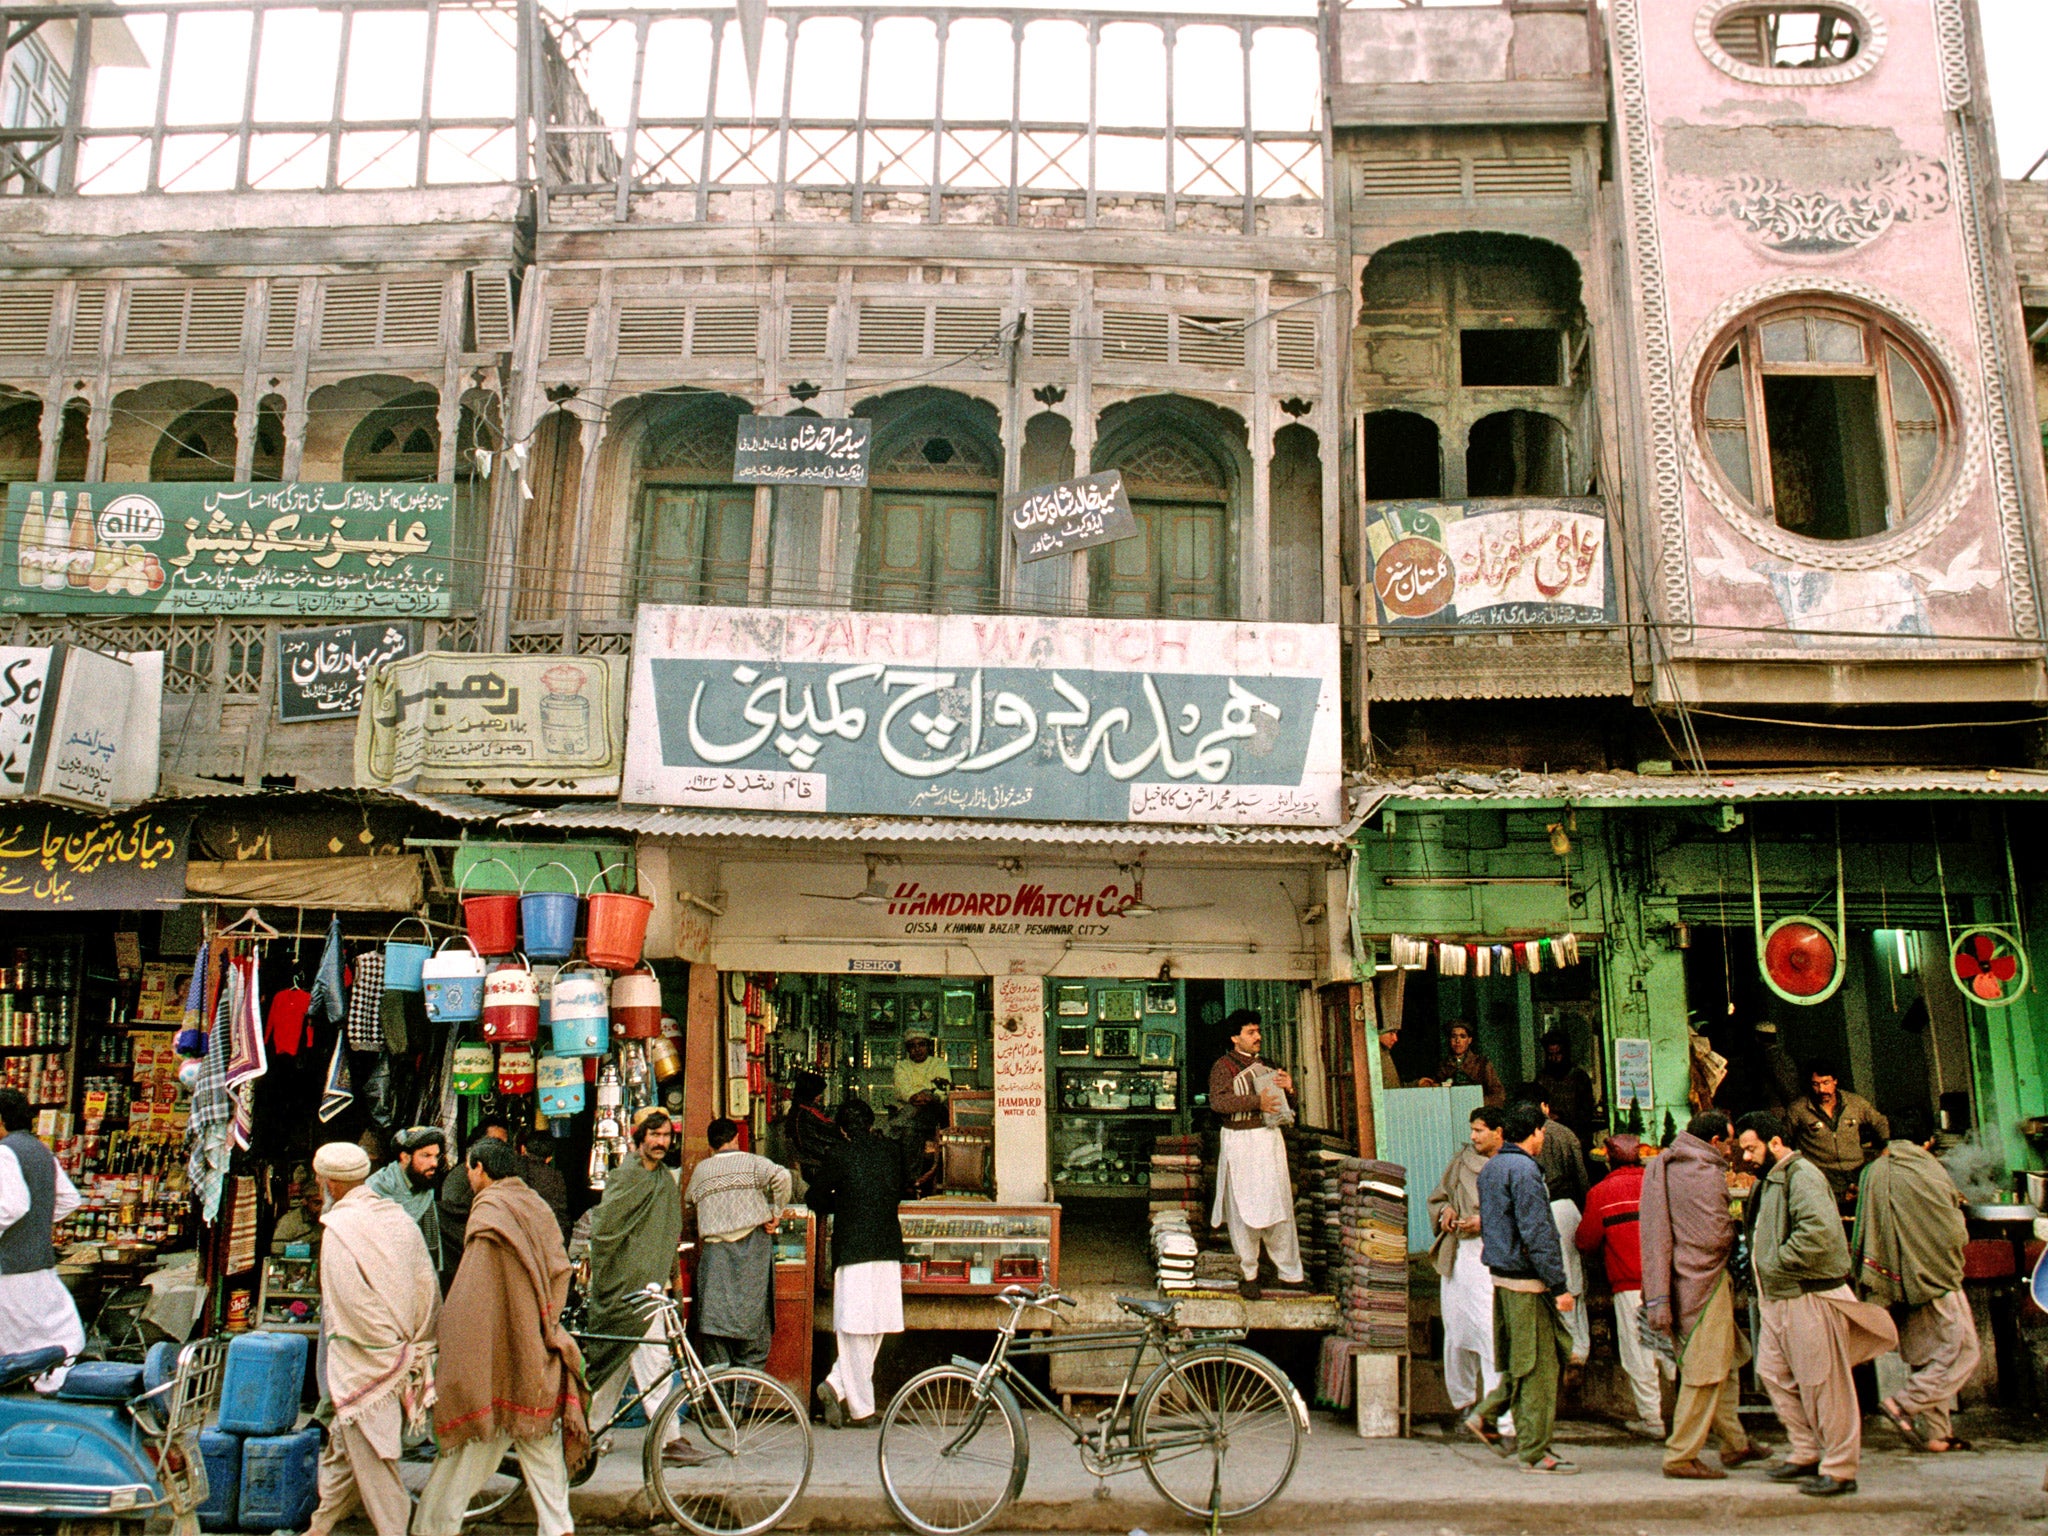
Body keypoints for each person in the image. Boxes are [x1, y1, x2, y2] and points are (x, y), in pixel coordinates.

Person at [412, 1138, 586, 1536]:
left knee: (466, 1462)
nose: (468, 1178)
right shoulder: (535, 1204)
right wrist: (543, 1322)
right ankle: (558, 1530)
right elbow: (559, 1269)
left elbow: (476, 1292)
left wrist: (454, 1339)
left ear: (479, 1169)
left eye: (469, 1171)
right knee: (543, 1463)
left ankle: (433, 1529)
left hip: (503, 1362)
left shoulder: (490, 1210)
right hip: (539, 1355)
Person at [1736, 1110, 1897, 1499]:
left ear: (1775, 1142)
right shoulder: (1768, 1183)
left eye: (1751, 1148)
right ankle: (1806, 1451)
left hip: (1808, 1296)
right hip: (1778, 1299)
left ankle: (1840, 1468)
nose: (1745, 1157)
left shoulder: (1801, 1175)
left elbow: (1819, 1234)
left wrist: (1776, 1262)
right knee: (1774, 1375)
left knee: (1825, 1384)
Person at [303, 1141, 440, 1536]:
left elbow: (348, 1306)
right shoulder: (396, 1217)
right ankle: (321, 1525)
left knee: (374, 1456)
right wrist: (412, 1342)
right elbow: (426, 1286)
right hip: (402, 1350)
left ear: (329, 1183)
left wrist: (384, 1351)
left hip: (367, 1359)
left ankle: (393, 1529)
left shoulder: (339, 1229)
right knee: (345, 1447)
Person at [1640, 1110, 1762, 1480]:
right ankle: (1680, 1455)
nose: (1731, 1151)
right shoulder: (1702, 1171)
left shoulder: (1673, 1164)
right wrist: (1738, 1238)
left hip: (1686, 1282)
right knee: (1705, 1370)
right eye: (1727, 1142)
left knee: (1724, 1364)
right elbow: (1712, 1236)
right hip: (1703, 1285)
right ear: (1713, 1143)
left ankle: (1735, 1442)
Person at [1854, 1107, 1980, 1454]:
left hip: (1896, 1278)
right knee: (1963, 1352)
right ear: (1927, 1141)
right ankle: (1904, 1403)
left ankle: (1938, 1434)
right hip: (1936, 1276)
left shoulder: (1874, 1170)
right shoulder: (1929, 1168)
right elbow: (1953, 1229)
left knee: (1929, 1353)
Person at [585, 1109, 702, 1465]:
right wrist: (628, 1269)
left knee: (618, 1365)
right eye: (654, 1135)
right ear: (640, 1139)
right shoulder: (625, 1177)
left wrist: (673, 1284)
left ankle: (588, 1432)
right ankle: (668, 1440)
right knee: (653, 1360)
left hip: (652, 1286)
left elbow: (667, 1235)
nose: (661, 1142)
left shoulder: (665, 1181)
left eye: (666, 1135)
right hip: (626, 1286)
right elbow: (604, 1232)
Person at [1467, 1103, 1575, 1474]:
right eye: (1542, 1131)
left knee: (1519, 1362)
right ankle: (1534, 1452)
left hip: (1502, 1278)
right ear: (1533, 1132)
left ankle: (1486, 1414)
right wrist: (1558, 1284)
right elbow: (1538, 1232)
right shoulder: (1525, 1170)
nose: (1544, 1137)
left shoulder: (1493, 1167)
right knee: (1539, 1369)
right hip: (1528, 1281)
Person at [806, 1099, 909, 1428]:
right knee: (877, 1323)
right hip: (887, 1246)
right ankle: (854, 1401)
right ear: (870, 1122)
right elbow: (903, 1188)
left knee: (853, 1327)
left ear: (841, 1129)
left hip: (853, 1250)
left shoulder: (838, 1154)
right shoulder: (891, 1151)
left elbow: (815, 1198)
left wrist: (843, 1199)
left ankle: (838, 1387)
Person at [1575, 1133, 1669, 1439]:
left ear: (1608, 1160)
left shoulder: (1601, 1192)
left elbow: (1585, 1241)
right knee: (1670, 1348)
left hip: (1629, 1285)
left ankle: (1653, 1420)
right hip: (1667, 1283)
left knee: (1639, 1354)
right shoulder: (1660, 1184)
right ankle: (1687, 1415)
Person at [1207, 1009, 1305, 1301]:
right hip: (1240, 1141)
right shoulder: (1223, 1067)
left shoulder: (1269, 1066)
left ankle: (1290, 1272)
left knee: (1279, 1205)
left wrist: (1290, 1089)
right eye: (1251, 1032)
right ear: (1235, 1037)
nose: (1258, 1037)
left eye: (1258, 1031)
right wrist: (1255, 1101)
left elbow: (1284, 1106)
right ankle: (1249, 1274)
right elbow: (1218, 1102)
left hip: (1269, 1140)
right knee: (1243, 1210)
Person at [683, 1117, 792, 1370]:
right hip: (753, 1249)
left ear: (711, 1146)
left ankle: (721, 1400)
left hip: (716, 1254)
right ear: (737, 1138)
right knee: (754, 1325)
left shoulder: (702, 1170)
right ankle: (742, 1399)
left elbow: (689, 1200)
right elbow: (783, 1177)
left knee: (714, 1326)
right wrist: (776, 1213)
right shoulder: (754, 1162)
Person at [1428, 1105, 1505, 1430]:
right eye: (1472, 1130)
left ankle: (1492, 1411)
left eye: (1480, 1130)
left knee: (1490, 1333)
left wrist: (1485, 1222)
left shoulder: (1511, 1166)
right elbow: (1439, 1196)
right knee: (1457, 1332)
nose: (1473, 1136)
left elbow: (1520, 1215)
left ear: (1498, 1132)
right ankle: (1464, 1403)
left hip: (1492, 1257)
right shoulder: (1460, 1160)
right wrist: (1445, 1212)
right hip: (1458, 1254)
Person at [0, 1087, 81, 1389]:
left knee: (24, 1343)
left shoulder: (5, 1152)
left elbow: (13, 1205)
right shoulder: (40, 1150)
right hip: (39, 1264)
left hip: (10, 1267)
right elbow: (69, 1199)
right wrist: (38, 1222)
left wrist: (25, 1222)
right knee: (55, 1333)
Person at [1519, 1086, 1589, 1365]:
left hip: (1538, 1212)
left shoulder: (1516, 1138)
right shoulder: (1565, 1134)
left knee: (1546, 1279)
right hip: (1566, 1208)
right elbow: (1581, 1178)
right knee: (1573, 1279)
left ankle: (1564, 1348)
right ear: (1545, 1107)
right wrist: (1584, 1210)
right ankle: (1578, 1349)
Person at [1786, 1061, 1888, 1201]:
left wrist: (1888, 1146)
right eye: (1816, 1084)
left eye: (1826, 1082)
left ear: (1835, 1081)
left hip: (1857, 1172)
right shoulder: (1798, 1109)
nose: (1822, 1089)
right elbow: (1783, 1139)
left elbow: (1881, 1122)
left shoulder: (1855, 1103)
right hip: (1821, 1176)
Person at [438, 1116, 512, 1277]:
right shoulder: (459, 1178)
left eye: (503, 1144)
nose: (498, 1148)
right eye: (493, 1142)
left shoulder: (503, 1179)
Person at [367, 1125, 443, 1266]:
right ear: (405, 1157)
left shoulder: (424, 1188)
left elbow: (431, 1244)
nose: (434, 1163)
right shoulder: (376, 1189)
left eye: (436, 1156)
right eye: (426, 1156)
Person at [1535, 1030, 1597, 1143]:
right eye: (1550, 1055)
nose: (1554, 1059)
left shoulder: (1579, 1077)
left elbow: (1586, 1113)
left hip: (1576, 1136)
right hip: (1550, 1137)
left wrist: (1561, 1117)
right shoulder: (1541, 1079)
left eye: (1558, 1054)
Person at [1426, 1021, 1506, 1106]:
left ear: (1469, 1040)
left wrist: (1478, 1102)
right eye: (1454, 1036)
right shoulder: (1442, 1066)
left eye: (1462, 1036)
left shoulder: (1481, 1064)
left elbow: (1499, 1094)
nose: (1458, 1041)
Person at [892, 1033, 951, 1146]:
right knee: (910, 1130)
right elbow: (903, 1089)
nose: (917, 1049)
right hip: (909, 1109)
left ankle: (893, 1125)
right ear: (908, 1049)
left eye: (921, 1045)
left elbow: (944, 1089)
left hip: (934, 1110)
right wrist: (916, 1097)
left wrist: (929, 1096)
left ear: (928, 1046)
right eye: (912, 1046)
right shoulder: (901, 1066)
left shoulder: (939, 1064)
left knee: (927, 1097)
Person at [520, 1133, 573, 1245]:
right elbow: (560, 1213)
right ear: (549, 1158)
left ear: (523, 1149)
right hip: (542, 1239)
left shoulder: (510, 1170)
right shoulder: (555, 1177)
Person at [269, 1164, 325, 1255]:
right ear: (305, 1201)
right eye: (317, 1203)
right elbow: (276, 1250)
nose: (322, 1208)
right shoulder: (288, 1222)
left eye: (324, 1203)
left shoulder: (326, 1219)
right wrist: (308, 1250)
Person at [1376, 1023, 1402, 1090]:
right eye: (1391, 1033)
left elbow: (1394, 1088)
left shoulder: (1385, 1053)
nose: (1395, 1039)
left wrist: (1416, 1084)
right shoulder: (1373, 1056)